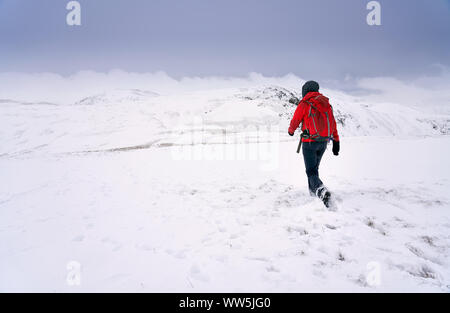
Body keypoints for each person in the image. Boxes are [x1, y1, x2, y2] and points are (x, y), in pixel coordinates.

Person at [288, 81, 340, 208]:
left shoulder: (305, 103)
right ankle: (313, 193)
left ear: (305, 91)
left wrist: (291, 130)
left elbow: (296, 119)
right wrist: (336, 142)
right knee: (314, 169)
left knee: (310, 171)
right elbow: (332, 123)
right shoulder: (327, 104)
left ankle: (321, 191)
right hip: (323, 142)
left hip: (309, 142)